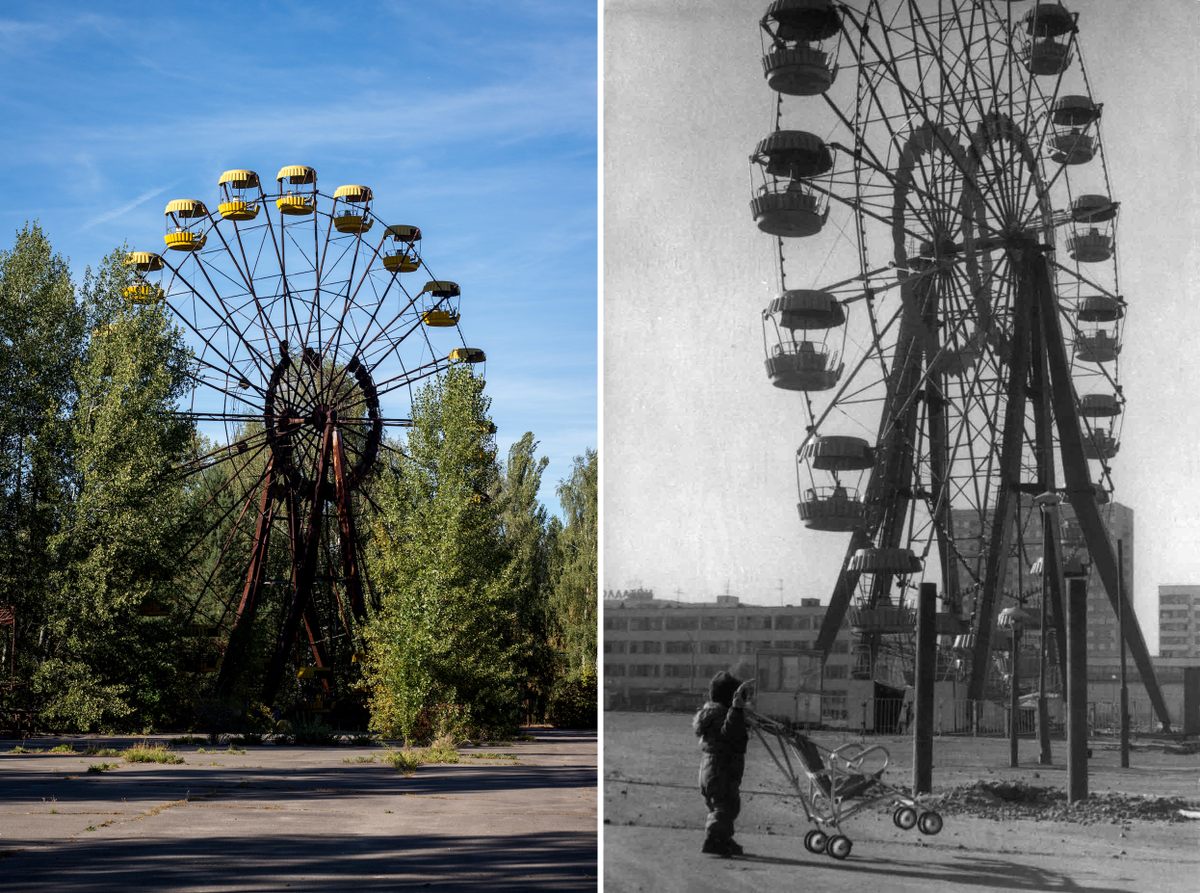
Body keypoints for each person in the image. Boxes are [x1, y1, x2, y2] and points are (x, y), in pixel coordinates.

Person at [693, 670, 753, 857]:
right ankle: (714, 839)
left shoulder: (712, 713)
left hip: (711, 768)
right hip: (721, 769)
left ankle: (723, 837)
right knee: (726, 806)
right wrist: (736, 710)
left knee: (722, 807)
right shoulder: (723, 715)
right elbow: (730, 732)